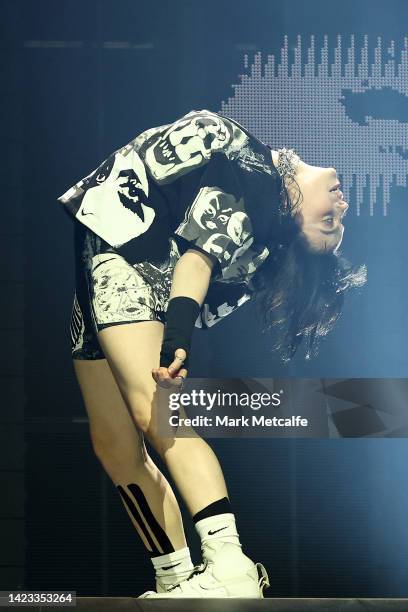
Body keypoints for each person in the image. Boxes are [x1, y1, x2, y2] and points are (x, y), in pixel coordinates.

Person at [58, 109, 366, 599]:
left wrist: (176, 338)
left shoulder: (261, 185)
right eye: (338, 215)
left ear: (289, 218)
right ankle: (175, 574)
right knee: (114, 443)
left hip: (127, 261)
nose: (343, 206)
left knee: (158, 411)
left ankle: (229, 563)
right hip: (104, 255)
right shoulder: (257, 169)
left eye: (330, 221)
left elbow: (197, 261)